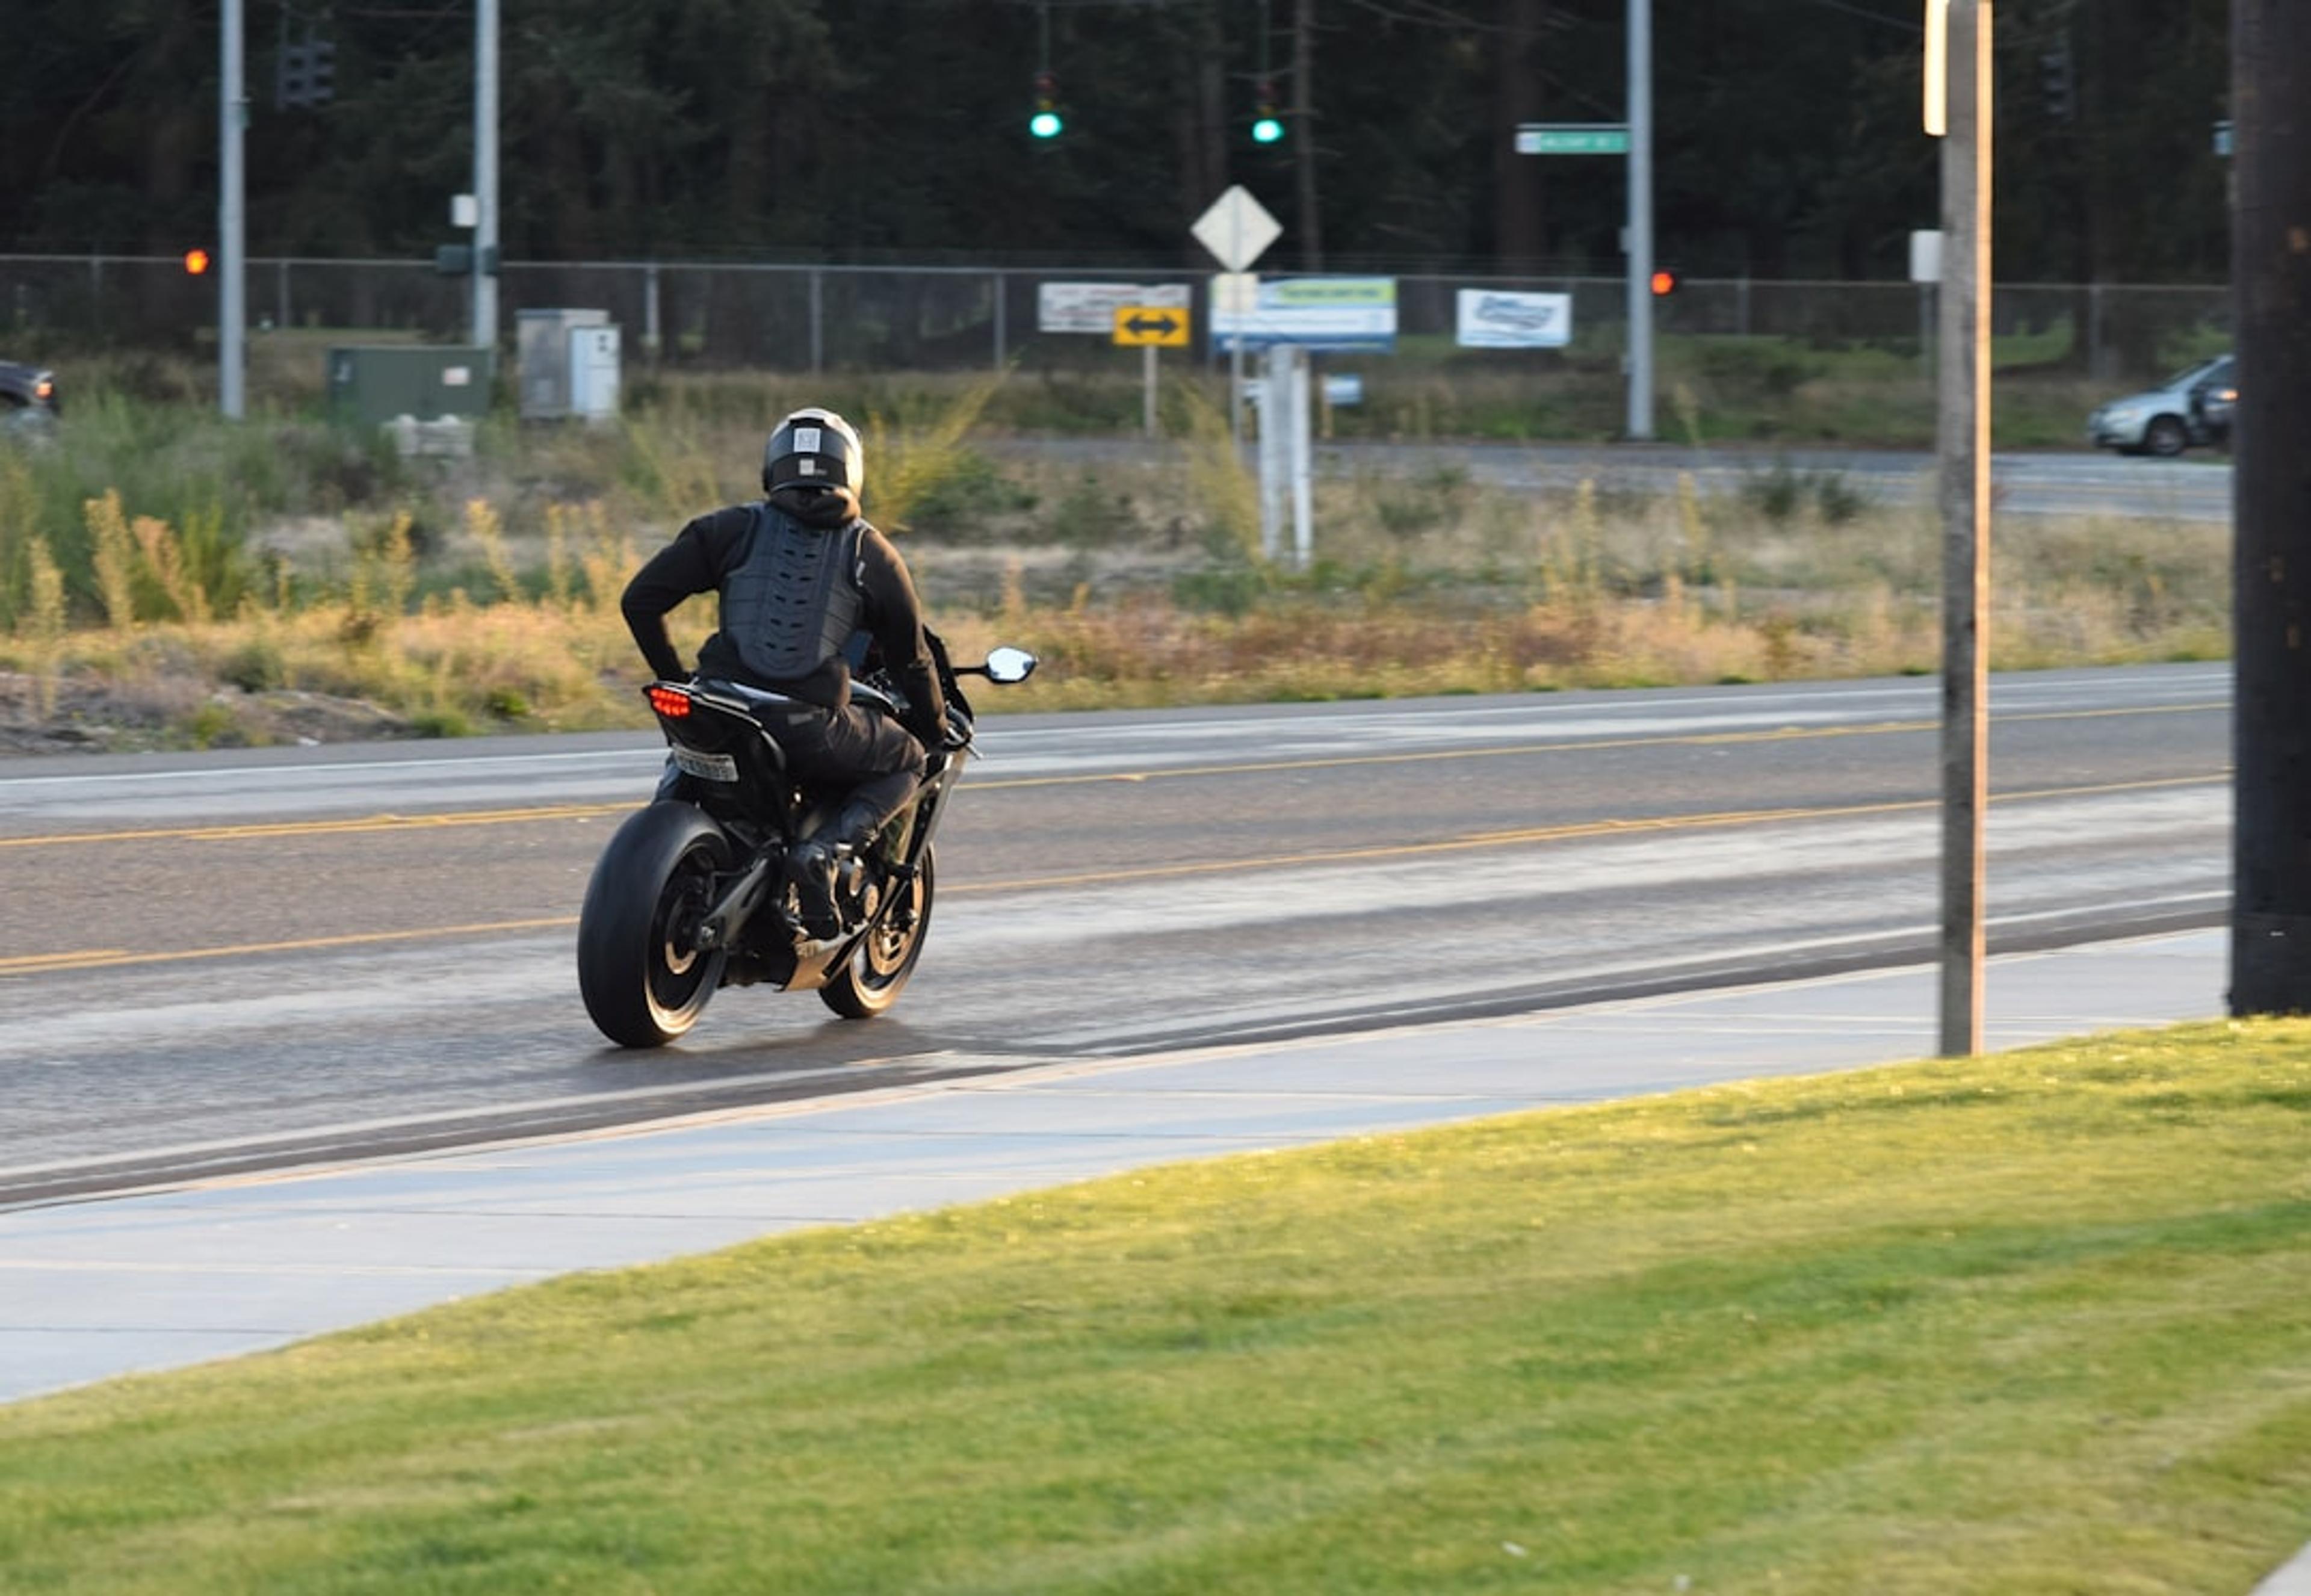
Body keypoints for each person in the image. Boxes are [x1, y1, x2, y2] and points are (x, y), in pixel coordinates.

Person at [620, 407, 947, 936]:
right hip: (804, 724)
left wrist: (677, 677)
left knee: (692, 743)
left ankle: (666, 856)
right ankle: (823, 850)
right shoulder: (871, 553)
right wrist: (930, 728)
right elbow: (911, 659)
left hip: (716, 701)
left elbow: (640, 600)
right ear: (852, 471)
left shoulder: (729, 528)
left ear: (773, 467)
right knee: (906, 758)